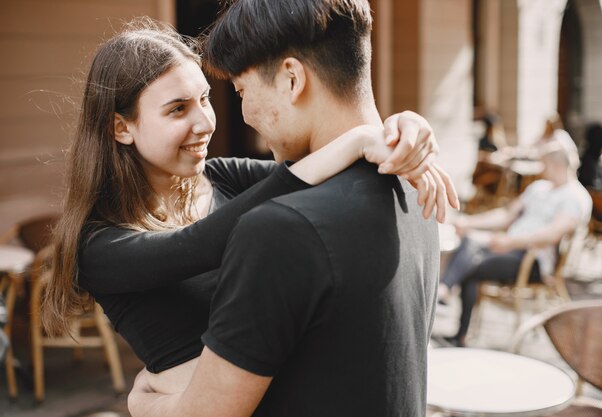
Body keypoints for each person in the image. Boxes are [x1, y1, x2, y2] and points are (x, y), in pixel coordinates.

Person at [42, 19, 457, 397]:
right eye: (177, 109)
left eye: (204, 99)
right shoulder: (98, 244)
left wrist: (402, 129)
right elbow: (199, 245)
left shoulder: (221, 176)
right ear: (121, 127)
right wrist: (356, 140)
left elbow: (316, 171)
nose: (205, 122)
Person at [128, 1, 440, 416]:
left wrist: (147, 404)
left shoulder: (280, 230)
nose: (243, 114)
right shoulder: (418, 184)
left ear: (292, 79)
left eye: (241, 92)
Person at [438, 141, 591, 347]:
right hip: (510, 248)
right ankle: (446, 294)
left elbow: (552, 235)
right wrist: (469, 222)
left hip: (533, 260)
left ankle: (452, 313)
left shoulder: (575, 197)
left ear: (556, 165)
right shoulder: (539, 187)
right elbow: (506, 215)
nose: (540, 168)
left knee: (470, 268)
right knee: (469, 240)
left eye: (543, 163)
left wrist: (510, 242)